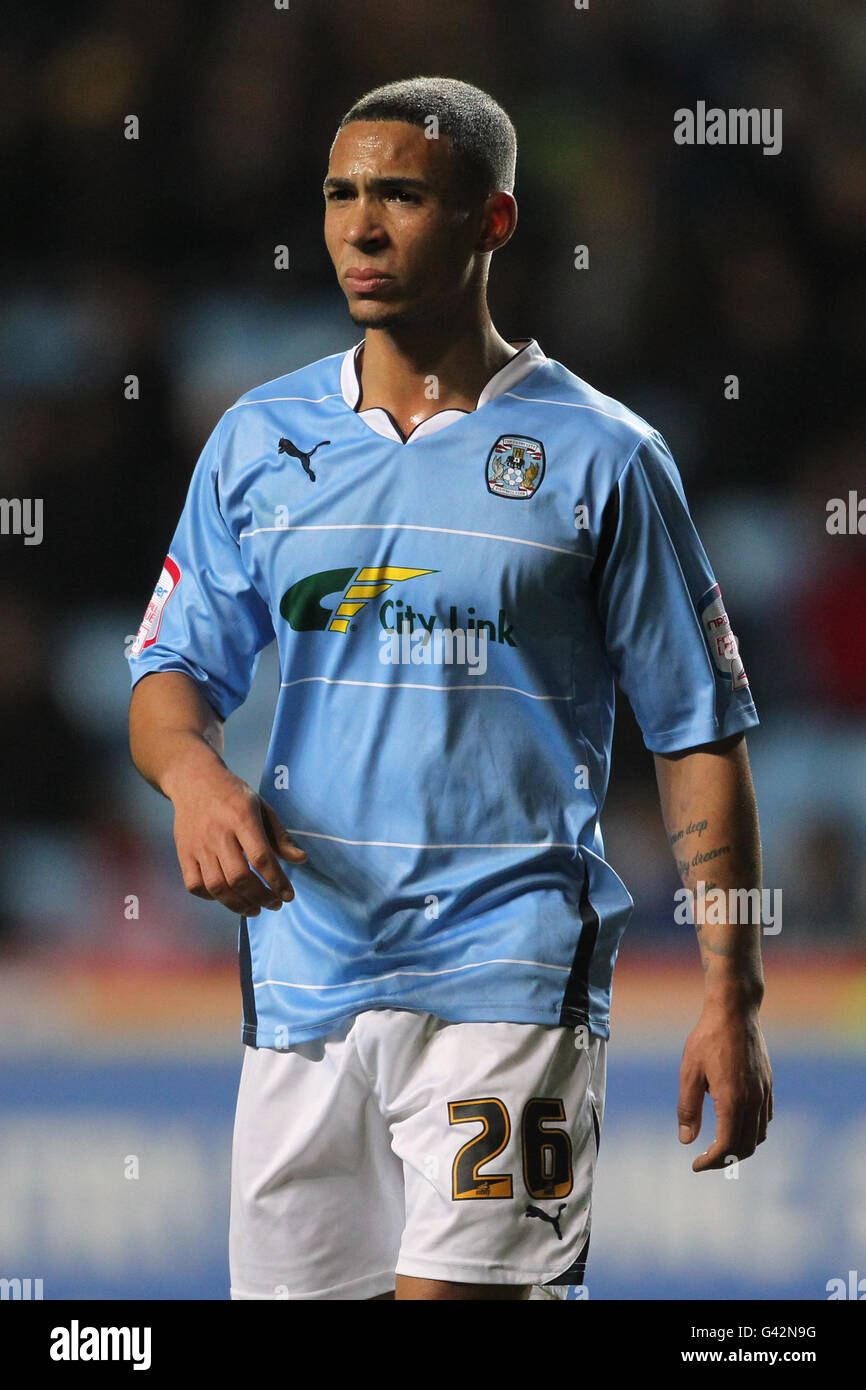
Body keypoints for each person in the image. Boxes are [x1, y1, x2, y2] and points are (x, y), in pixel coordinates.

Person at [127, 76, 773, 1302]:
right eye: (340, 194)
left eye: (402, 195)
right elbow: (166, 672)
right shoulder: (257, 441)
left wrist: (727, 993)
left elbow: (696, 733)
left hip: (507, 973)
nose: (360, 227)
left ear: (492, 221)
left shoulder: (604, 457)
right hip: (304, 979)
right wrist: (196, 777)